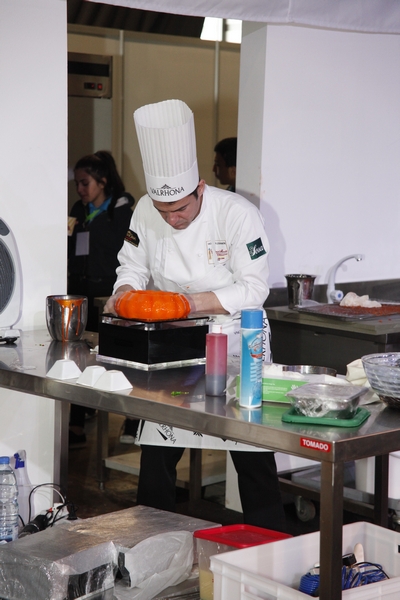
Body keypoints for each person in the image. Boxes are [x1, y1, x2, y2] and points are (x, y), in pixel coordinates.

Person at [104, 100, 286, 531]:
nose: (174, 219)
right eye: (165, 213)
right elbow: (130, 264)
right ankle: (151, 546)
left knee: (253, 458)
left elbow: (255, 288)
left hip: (238, 342)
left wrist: (189, 303)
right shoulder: (147, 210)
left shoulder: (237, 214)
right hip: (176, 349)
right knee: (158, 455)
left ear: (201, 188)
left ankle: (270, 549)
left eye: (181, 210)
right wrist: (125, 293)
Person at [68, 150, 135, 447]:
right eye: (77, 184)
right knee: (78, 358)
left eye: (85, 183)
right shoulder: (78, 211)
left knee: (122, 357)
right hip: (80, 291)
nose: (80, 190)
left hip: (109, 293)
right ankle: (76, 426)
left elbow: (121, 250)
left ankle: (134, 420)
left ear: (103, 182)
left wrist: (91, 228)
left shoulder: (121, 211)